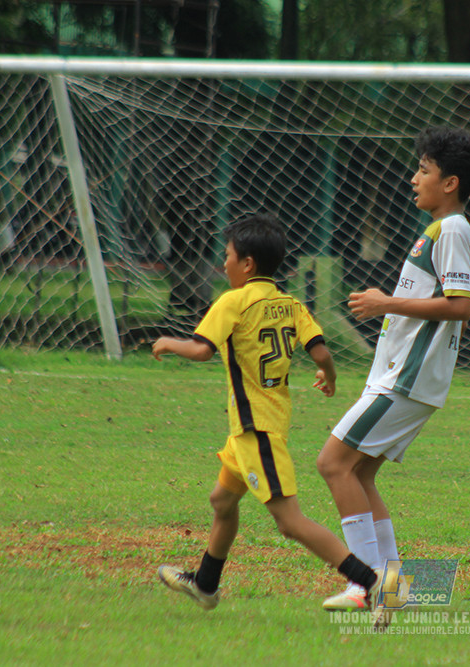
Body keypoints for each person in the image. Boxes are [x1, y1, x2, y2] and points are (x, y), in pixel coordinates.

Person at [152, 212, 379, 610]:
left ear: (248, 264)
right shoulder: (290, 304)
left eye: (227, 256)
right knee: (222, 501)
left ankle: (371, 581)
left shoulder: (233, 301)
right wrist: (328, 377)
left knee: (289, 522)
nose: (224, 264)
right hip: (253, 428)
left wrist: (169, 343)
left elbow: (203, 349)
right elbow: (322, 352)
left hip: (257, 430)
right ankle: (206, 585)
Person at [315, 126, 470, 614]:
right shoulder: (438, 228)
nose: (414, 178)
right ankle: (394, 591)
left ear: (450, 182)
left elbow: (460, 306)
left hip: (407, 379)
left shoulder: (454, 228)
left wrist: (383, 302)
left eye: (424, 170)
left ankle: (363, 585)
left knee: (332, 464)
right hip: (401, 378)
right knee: (361, 476)